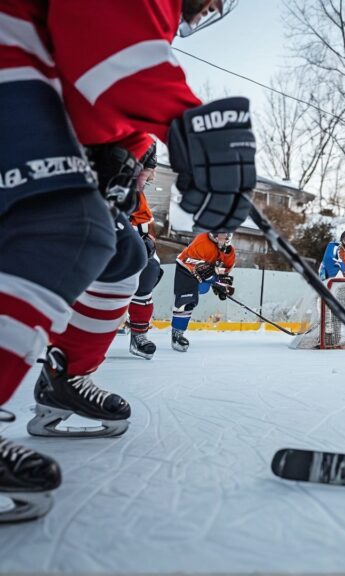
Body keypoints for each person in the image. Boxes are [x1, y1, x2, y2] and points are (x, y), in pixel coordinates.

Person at [0, 0, 252, 523]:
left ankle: (66, 378)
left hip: (36, 66)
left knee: (123, 253)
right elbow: (108, 48)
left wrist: (132, 146)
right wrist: (188, 124)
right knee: (64, 227)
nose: (206, 10)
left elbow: (89, 73)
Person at [127, 145, 165, 359]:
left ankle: (139, 333)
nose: (149, 178)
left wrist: (149, 241)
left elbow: (147, 227)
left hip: (133, 248)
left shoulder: (138, 196)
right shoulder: (110, 188)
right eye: (147, 173)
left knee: (149, 269)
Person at [171, 232, 237, 352]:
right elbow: (200, 269)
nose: (222, 237)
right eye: (220, 234)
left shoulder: (228, 250)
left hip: (206, 270)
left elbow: (226, 268)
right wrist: (214, 280)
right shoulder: (202, 241)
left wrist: (222, 282)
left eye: (225, 235)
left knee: (196, 293)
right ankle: (177, 334)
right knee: (186, 301)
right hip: (185, 269)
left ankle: (178, 332)